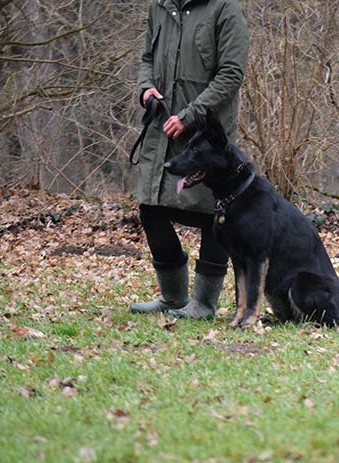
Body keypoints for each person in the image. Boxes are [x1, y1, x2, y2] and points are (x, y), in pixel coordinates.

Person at [131, 0, 249, 319]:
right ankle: (173, 298)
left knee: (213, 212)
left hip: (206, 136)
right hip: (161, 130)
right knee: (150, 206)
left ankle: (204, 304)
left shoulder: (225, 9)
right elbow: (146, 60)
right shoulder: (158, 8)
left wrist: (191, 115)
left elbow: (231, 72)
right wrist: (146, 89)